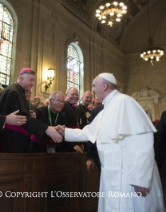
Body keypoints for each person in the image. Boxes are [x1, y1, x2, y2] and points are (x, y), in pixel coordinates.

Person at [59, 73, 164, 211]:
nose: (94, 90)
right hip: (111, 172)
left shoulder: (125, 102)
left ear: (104, 85)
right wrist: (64, 132)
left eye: (94, 86)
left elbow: (141, 141)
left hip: (129, 175)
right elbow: (89, 132)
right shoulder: (106, 108)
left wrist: (141, 178)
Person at [0, 68, 62, 153]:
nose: (33, 83)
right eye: (31, 80)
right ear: (21, 79)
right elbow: (22, 118)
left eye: (34, 81)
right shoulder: (14, 92)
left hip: (12, 138)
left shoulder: (16, 90)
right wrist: (46, 129)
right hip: (11, 139)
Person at [60, 87, 83, 153]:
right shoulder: (63, 107)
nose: (75, 96)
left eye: (76, 94)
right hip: (66, 144)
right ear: (66, 95)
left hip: (75, 141)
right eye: (72, 94)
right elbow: (63, 128)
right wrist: (73, 145)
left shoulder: (76, 108)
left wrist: (80, 142)